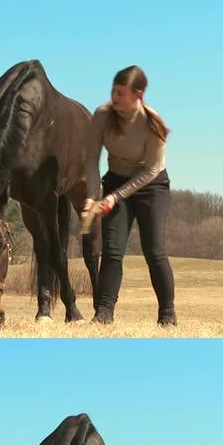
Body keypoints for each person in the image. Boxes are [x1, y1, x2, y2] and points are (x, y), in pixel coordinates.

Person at [80, 65, 176, 327]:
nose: (114, 97)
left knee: (154, 251)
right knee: (112, 250)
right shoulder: (102, 115)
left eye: (121, 93)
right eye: (113, 91)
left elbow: (151, 171)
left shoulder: (154, 125)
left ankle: (167, 315)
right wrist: (93, 195)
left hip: (151, 186)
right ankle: (104, 313)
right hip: (115, 179)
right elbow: (91, 157)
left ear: (138, 95)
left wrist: (114, 198)